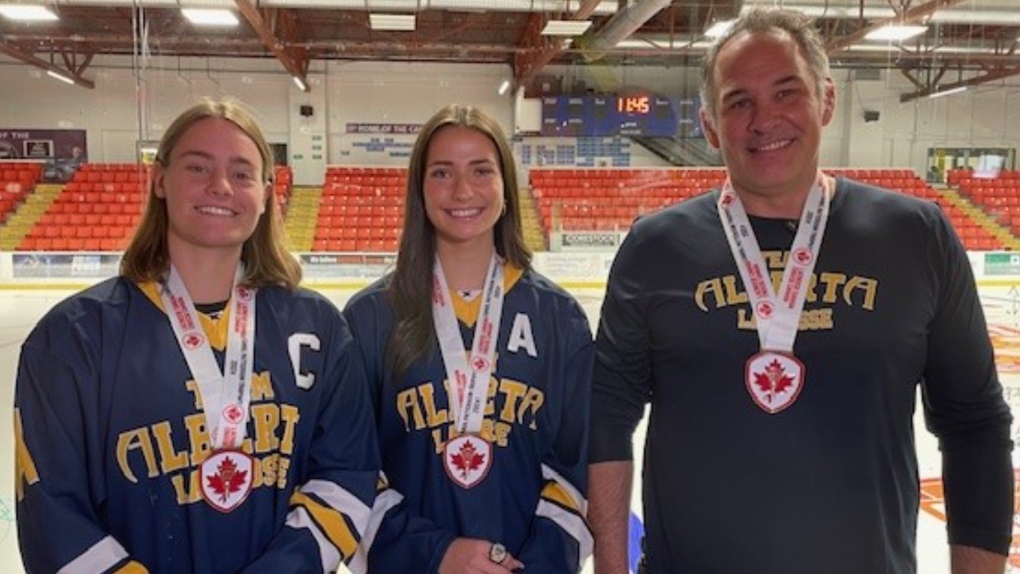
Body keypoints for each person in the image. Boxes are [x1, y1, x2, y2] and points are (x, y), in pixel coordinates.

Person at [588, 8, 1013, 574]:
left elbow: (974, 422)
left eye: (787, 93)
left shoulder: (916, 236)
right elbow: (608, 417)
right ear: (711, 124)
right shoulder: (655, 248)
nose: (765, 119)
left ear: (827, 100)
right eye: (739, 101)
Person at [14, 98, 380, 574]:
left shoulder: (318, 328)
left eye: (242, 173)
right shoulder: (72, 338)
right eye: (197, 166)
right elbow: (53, 515)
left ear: (267, 193)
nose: (220, 186)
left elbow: (346, 475)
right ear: (160, 180)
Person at [343, 103, 594, 573]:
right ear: (420, 187)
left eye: (481, 170)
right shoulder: (369, 318)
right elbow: (350, 470)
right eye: (442, 173)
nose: (462, 190)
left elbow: (576, 469)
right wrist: (436, 554)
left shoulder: (560, 318)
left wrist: (534, 567)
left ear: (505, 186)